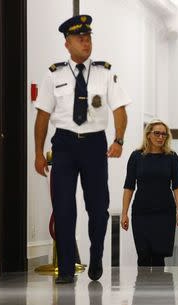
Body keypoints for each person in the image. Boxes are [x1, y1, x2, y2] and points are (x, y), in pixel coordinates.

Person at [34, 15, 131, 283]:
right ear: (67, 44)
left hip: (94, 144)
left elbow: (120, 110)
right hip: (63, 145)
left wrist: (119, 139)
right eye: (80, 38)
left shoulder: (105, 73)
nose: (86, 42)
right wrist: (38, 153)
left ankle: (97, 255)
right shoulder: (53, 75)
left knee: (97, 208)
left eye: (88, 37)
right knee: (64, 208)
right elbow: (42, 116)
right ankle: (66, 268)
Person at [121, 120, 178, 267]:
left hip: (165, 212)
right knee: (143, 256)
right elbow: (129, 186)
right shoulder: (136, 156)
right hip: (141, 212)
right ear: (148, 135)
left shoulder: (172, 157)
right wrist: (124, 213)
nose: (161, 137)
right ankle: (142, 289)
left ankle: (160, 290)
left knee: (158, 257)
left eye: (164, 134)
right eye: (157, 133)